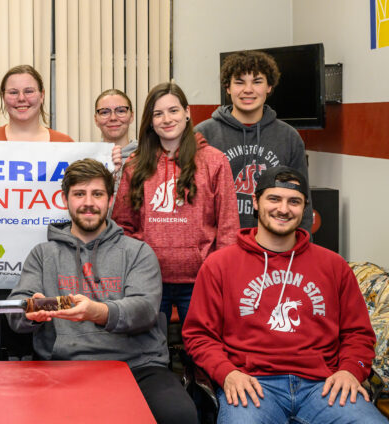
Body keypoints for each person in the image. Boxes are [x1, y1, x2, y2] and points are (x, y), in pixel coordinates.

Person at [182, 166, 386, 424]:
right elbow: (199, 335)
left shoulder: (333, 266)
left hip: (323, 386)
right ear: (256, 202)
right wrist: (227, 374)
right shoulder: (219, 265)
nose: (283, 209)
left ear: (305, 209)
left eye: (294, 202)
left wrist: (351, 371)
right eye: (274, 199)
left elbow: (358, 334)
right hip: (252, 385)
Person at [7, 158, 197, 424]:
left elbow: (145, 310)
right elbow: (15, 310)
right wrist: (30, 311)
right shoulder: (43, 254)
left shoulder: (137, 251)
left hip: (138, 367)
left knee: (180, 416)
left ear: (110, 200)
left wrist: (98, 312)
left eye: (97, 194)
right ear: (65, 200)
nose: (88, 202)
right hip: (63, 366)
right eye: (79, 194)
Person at [111, 82, 239, 326]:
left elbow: (228, 226)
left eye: (173, 110)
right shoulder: (135, 164)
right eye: (158, 114)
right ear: (150, 120)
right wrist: (133, 268)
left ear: (187, 113)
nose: (166, 119)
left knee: (199, 352)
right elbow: (122, 224)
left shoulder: (214, 161)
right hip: (148, 280)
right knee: (148, 352)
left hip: (200, 281)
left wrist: (220, 275)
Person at [196, 50, 313, 230]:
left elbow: (302, 198)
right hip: (218, 246)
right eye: (239, 82)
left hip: (274, 244)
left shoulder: (289, 137)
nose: (248, 90)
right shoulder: (203, 134)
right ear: (227, 87)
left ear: (269, 87)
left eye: (257, 82)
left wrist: (303, 245)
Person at [0, 65, 73, 142]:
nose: (21, 98)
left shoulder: (65, 144)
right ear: (3, 97)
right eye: (13, 92)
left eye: (29, 91)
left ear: (42, 95)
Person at [95, 88, 138, 195]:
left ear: (131, 116)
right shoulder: (90, 160)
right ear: (96, 119)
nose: (113, 118)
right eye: (105, 112)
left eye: (121, 111)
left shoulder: (148, 158)